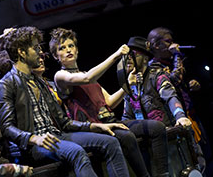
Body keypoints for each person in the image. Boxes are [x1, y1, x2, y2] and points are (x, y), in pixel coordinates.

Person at [0, 26, 130, 177]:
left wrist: (96, 126)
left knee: (110, 142)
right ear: (21, 52)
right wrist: (33, 138)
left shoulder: (39, 82)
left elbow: (63, 122)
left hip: (57, 136)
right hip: (34, 146)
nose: (40, 52)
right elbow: (6, 127)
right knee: (76, 152)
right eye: (35, 48)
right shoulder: (6, 84)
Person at [49, 27, 167, 177]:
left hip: (110, 121)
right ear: (55, 56)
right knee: (126, 136)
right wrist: (116, 55)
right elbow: (87, 79)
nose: (68, 50)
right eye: (62, 48)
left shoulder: (86, 73)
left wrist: (127, 86)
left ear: (77, 50)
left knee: (156, 128)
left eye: (71, 46)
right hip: (93, 128)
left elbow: (109, 102)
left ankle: (162, 174)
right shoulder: (61, 75)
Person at [119, 36, 194, 176]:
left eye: (133, 54)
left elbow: (171, 97)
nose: (128, 58)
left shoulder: (156, 76)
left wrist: (180, 116)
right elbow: (126, 116)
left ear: (146, 58)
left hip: (168, 142)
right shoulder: (128, 84)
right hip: (147, 147)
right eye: (127, 54)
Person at [147, 27, 208, 172]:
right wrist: (177, 56)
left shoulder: (171, 62)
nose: (173, 45)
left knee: (205, 157)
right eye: (168, 41)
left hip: (190, 114)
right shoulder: (153, 67)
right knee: (194, 160)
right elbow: (174, 79)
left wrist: (193, 84)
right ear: (156, 45)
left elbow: (182, 81)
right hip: (175, 119)